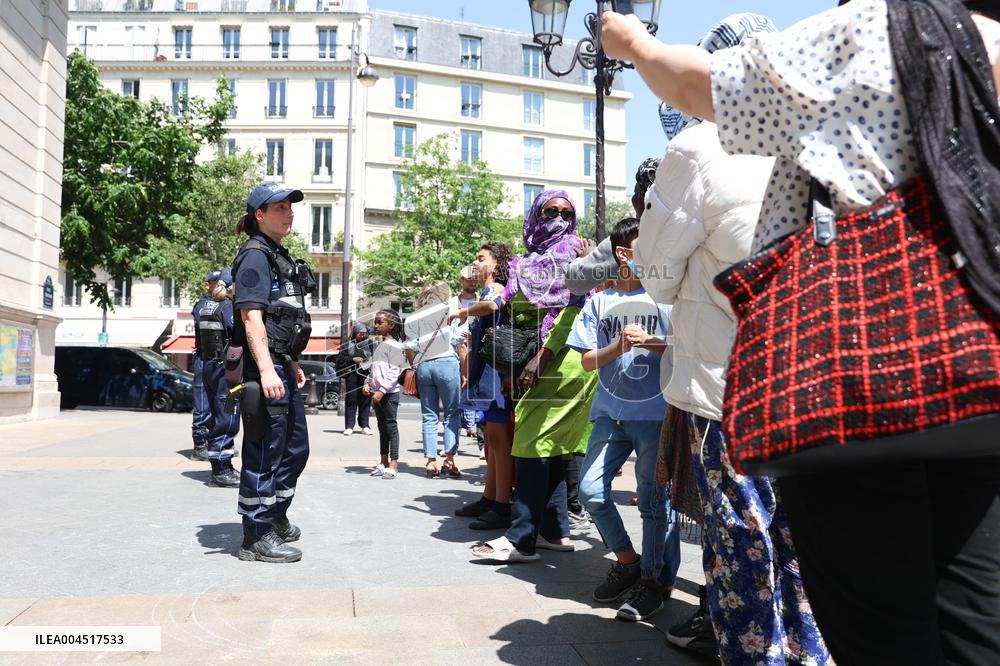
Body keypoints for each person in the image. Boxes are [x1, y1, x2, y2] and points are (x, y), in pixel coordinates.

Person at [604, 2, 1000, 663]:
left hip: (856, 372)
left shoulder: (875, 29)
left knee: (877, 625)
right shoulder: (989, 40)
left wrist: (633, 42)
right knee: (974, 615)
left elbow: (695, 85)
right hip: (979, 365)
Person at [628, 15, 829, 664]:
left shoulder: (700, 146)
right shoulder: (821, 133)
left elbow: (657, 276)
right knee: (807, 569)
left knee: (742, 559)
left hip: (730, 393)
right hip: (820, 392)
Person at [469, 190, 598, 562]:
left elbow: (575, 309)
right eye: (550, 210)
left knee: (528, 443)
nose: (558, 217)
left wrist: (541, 357)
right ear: (535, 214)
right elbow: (508, 306)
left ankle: (521, 538)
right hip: (548, 361)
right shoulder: (530, 261)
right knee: (553, 449)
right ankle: (555, 532)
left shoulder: (575, 253)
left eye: (565, 211)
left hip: (561, 359)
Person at [569, 217, 681, 623]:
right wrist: (616, 346)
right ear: (624, 255)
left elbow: (682, 349)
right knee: (590, 492)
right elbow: (585, 361)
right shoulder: (599, 303)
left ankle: (652, 583)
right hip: (609, 417)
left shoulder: (666, 299)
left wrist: (651, 342)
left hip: (656, 417)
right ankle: (628, 560)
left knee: (654, 505)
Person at [231, 182, 313, 564]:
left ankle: (276, 515)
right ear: (259, 215)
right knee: (264, 450)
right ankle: (256, 534)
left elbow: (281, 321)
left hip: (280, 364)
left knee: (294, 448)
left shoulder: (276, 254)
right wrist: (266, 370)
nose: (289, 212)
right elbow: (251, 319)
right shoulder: (254, 256)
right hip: (263, 370)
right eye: (279, 207)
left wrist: (290, 363)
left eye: (290, 207)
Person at [452, 242, 516, 529]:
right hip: (486, 374)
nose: (475, 264)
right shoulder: (486, 291)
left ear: (497, 263)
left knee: (500, 441)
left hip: (495, 374)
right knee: (492, 440)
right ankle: (491, 497)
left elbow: (493, 305)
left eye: (481, 258)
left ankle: (502, 503)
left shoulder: (498, 289)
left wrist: (464, 312)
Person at [404, 280, 465, 478]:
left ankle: (431, 462)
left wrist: (415, 367)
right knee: (451, 413)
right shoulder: (449, 310)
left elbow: (410, 347)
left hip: (424, 366)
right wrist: (465, 371)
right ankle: (449, 459)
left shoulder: (415, 316)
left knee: (429, 416)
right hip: (447, 363)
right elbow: (458, 342)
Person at [197, 268, 240, 488]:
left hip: (209, 366)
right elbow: (237, 334)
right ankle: (221, 469)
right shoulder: (228, 307)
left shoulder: (204, 306)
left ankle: (222, 465)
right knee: (228, 416)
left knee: (216, 415)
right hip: (226, 370)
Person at [364, 310, 406, 480]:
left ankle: (394, 463)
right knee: (382, 428)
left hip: (388, 394)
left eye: (379, 322)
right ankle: (383, 461)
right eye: (375, 322)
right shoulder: (379, 345)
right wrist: (367, 382)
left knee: (391, 427)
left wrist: (381, 391)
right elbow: (374, 369)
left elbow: (395, 372)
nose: (376, 325)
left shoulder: (395, 346)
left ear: (391, 325)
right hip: (377, 394)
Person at [190, 270, 223, 460]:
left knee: (214, 404)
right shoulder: (202, 305)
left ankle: (211, 442)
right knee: (202, 403)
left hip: (212, 360)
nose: (218, 285)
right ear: (207, 285)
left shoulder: (218, 304)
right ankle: (199, 444)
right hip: (203, 358)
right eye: (215, 282)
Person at [455, 265, 480, 439]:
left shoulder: (482, 301)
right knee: (453, 399)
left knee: (476, 393)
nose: (472, 281)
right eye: (468, 278)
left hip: (474, 351)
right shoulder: (452, 302)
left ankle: (479, 437)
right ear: (461, 280)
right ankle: (451, 443)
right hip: (452, 354)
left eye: (475, 278)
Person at [337, 322, 373, 437]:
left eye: (363, 333)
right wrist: (353, 359)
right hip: (352, 376)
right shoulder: (347, 345)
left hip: (366, 376)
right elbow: (340, 360)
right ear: (354, 333)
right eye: (359, 333)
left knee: (366, 401)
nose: (361, 336)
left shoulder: (370, 344)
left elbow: (376, 358)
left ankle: (365, 425)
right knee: (351, 401)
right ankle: (349, 426)